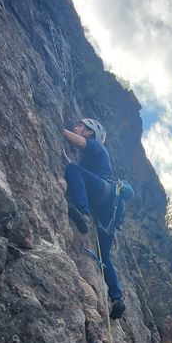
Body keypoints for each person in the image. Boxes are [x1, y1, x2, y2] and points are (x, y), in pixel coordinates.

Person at [63, 117, 126, 320]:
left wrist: (58, 128)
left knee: (73, 169)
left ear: (90, 133)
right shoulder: (92, 159)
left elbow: (78, 142)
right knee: (104, 256)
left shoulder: (97, 147)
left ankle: (81, 211)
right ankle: (117, 299)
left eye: (80, 126)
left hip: (104, 194)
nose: (76, 127)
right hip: (108, 210)